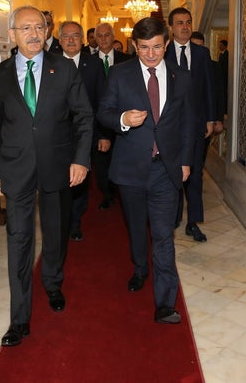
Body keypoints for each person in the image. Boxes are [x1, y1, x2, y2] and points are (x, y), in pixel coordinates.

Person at [0, 6, 94, 347]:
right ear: (13, 34)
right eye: (26, 28)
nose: (34, 34)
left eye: (40, 27)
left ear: (47, 32)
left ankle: (52, 282)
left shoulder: (63, 68)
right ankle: (19, 319)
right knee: (18, 240)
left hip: (57, 165)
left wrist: (80, 160)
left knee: (55, 231)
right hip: (16, 168)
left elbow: (83, 116)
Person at [97, 17, 194, 324]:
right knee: (137, 227)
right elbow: (105, 112)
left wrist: (186, 161)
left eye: (156, 47)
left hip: (166, 169)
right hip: (131, 169)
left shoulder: (182, 77)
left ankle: (165, 303)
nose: (150, 55)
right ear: (134, 46)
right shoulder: (120, 74)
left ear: (166, 44)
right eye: (143, 48)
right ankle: (140, 268)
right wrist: (123, 118)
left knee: (164, 235)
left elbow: (189, 123)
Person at [164, 7, 218, 243]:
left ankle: (193, 222)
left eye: (188, 22)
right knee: (171, 175)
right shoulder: (161, 53)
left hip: (195, 125)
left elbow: (209, 88)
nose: (184, 27)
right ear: (171, 27)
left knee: (194, 175)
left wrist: (210, 118)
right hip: (169, 126)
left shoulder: (202, 53)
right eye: (179, 23)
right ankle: (173, 218)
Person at [58, 20, 108, 241]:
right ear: (60, 40)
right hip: (56, 136)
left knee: (81, 179)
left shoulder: (94, 64)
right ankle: (61, 219)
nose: (71, 40)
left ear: (83, 39)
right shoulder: (49, 64)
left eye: (75, 36)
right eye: (66, 36)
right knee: (59, 179)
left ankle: (75, 223)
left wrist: (104, 134)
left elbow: (103, 101)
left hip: (86, 133)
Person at [93, 22, 134, 209]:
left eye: (106, 35)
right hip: (98, 121)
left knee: (122, 160)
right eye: (99, 36)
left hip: (124, 120)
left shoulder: (126, 60)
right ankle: (107, 194)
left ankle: (122, 192)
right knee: (101, 163)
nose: (103, 39)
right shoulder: (89, 61)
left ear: (113, 36)